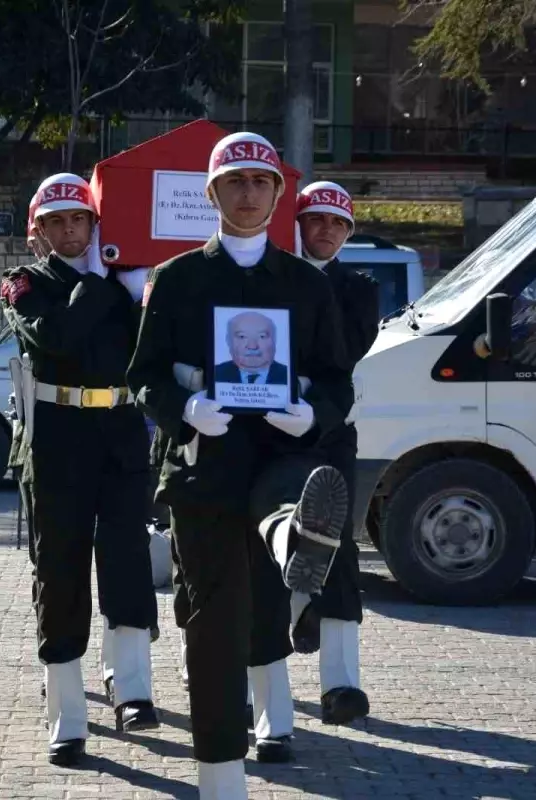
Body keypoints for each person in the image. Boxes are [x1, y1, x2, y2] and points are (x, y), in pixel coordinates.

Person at [128, 131, 353, 798]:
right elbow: (142, 375)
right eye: (235, 182)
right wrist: (184, 407)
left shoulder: (305, 286)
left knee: (286, 514)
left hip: (283, 458)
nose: (249, 193)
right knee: (215, 629)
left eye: (261, 182)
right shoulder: (177, 280)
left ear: (279, 194)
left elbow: (337, 381)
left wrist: (313, 416)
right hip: (206, 470)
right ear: (213, 193)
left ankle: (294, 541)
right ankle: (221, 779)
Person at [1, 172, 159, 767]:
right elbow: (56, 339)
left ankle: (133, 687)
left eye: (80, 221)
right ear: (37, 232)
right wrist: (100, 283)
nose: (69, 232)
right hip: (59, 440)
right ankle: (67, 714)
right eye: (56, 223)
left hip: (120, 434)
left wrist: (136, 287)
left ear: (96, 224)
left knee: (127, 561)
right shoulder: (24, 284)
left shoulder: (124, 282)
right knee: (62, 569)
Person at [290, 180, 381, 725]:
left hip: (328, 433)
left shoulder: (358, 288)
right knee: (270, 543)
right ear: (297, 224)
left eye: (338, 223)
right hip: (266, 432)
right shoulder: (269, 277)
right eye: (316, 220)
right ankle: (284, 634)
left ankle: (342, 685)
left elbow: (342, 352)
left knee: (338, 548)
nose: (326, 231)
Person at [214, 311, 289, 385]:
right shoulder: (216, 374)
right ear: (228, 340)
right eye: (242, 336)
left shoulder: (288, 376)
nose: (252, 346)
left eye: (262, 336)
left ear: (274, 340)